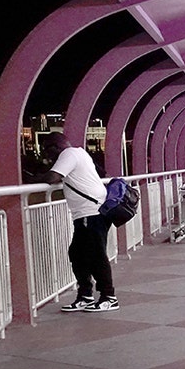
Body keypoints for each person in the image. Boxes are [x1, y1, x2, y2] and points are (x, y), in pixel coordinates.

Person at [33, 133, 119, 312]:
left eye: (47, 150)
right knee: (77, 254)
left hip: (91, 212)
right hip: (87, 213)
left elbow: (52, 178)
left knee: (96, 255)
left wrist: (34, 178)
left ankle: (109, 297)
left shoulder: (69, 154)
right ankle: (85, 295)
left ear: (56, 147)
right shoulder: (80, 153)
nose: (47, 155)